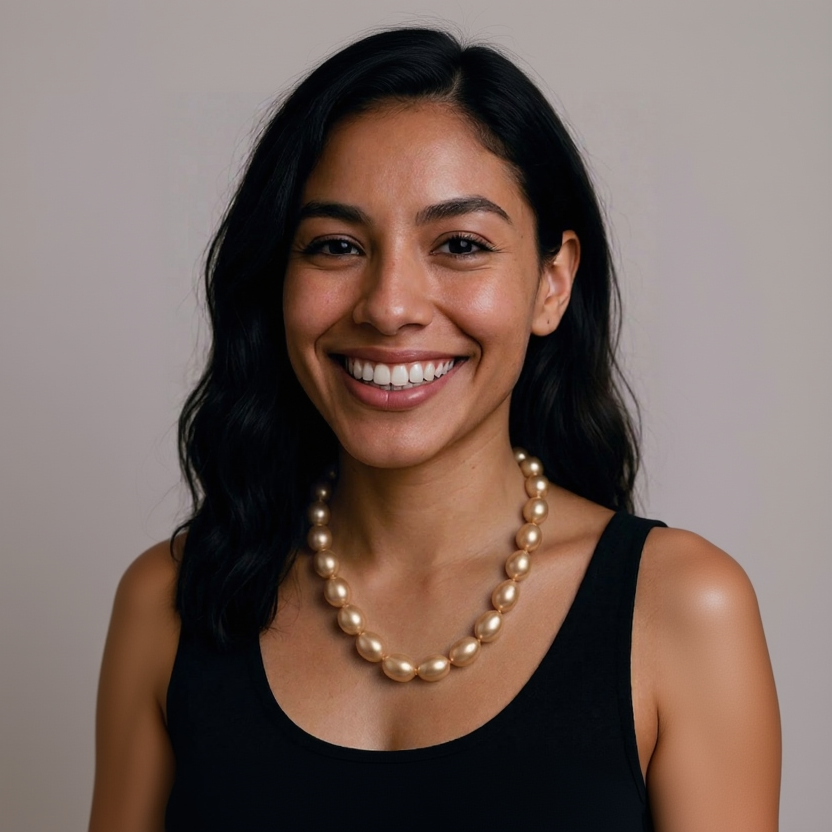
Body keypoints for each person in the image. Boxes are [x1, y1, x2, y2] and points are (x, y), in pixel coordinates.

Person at [89, 27, 781, 832]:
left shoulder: (684, 609)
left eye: (459, 244)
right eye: (336, 245)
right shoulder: (167, 602)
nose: (389, 305)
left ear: (552, 284)